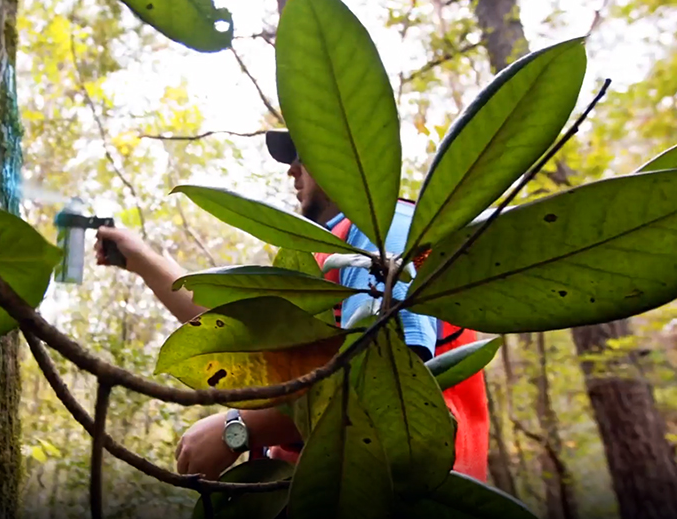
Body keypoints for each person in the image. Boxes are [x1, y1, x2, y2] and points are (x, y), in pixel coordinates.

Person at [94, 130, 488, 482]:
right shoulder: (326, 257)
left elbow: (385, 382)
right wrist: (141, 258)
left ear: (344, 157)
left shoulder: (384, 233)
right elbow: (237, 337)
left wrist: (239, 429)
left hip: (399, 492)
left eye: (303, 156)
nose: (291, 172)